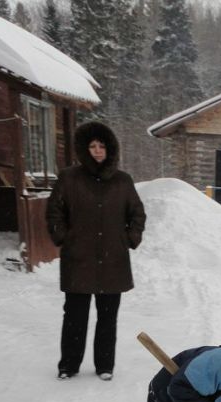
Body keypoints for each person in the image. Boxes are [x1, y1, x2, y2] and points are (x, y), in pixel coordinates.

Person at [46, 121, 146, 381]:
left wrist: (129, 239)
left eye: (102, 146)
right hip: (78, 259)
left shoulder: (122, 181)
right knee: (74, 317)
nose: (98, 151)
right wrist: (64, 238)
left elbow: (137, 214)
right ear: (84, 149)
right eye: (92, 146)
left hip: (113, 260)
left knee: (107, 317)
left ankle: (104, 365)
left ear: (110, 148)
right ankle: (69, 365)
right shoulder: (69, 178)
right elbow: (54, 211)